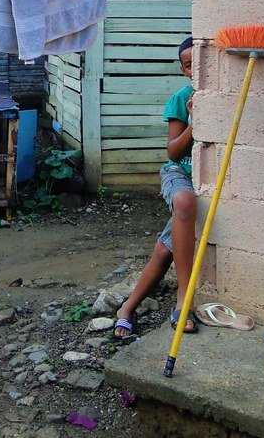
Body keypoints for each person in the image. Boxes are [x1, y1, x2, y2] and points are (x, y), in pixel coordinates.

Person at [113, 36, 199, 337]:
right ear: (183, 70)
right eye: (188, 65)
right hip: (179, 173)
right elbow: (173, 152)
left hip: (206, 181)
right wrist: (195, 122)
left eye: (199, 62)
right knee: (185, 201)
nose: (194, 69)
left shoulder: (223, 96)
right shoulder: (181, 98)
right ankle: (184, 301)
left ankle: (126, 308)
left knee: (165, 249)